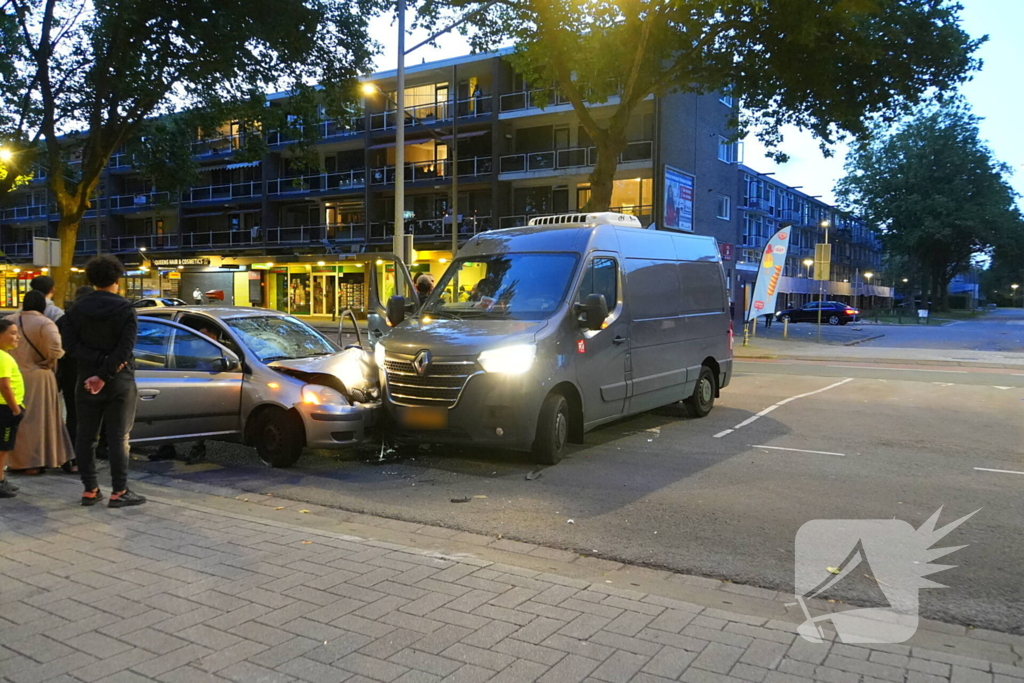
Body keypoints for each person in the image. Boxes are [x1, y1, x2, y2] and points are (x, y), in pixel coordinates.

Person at [62, 254, 145, 508]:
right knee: (119, 437)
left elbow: (69, 345)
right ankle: (119, 491)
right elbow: (125, 349)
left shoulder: (75, 309)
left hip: (85, 378)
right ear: (117, 279)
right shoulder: (125, 309)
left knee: (86, 436)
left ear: (91, 279)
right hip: (119, 379)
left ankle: (90, 489)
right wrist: (105, 373)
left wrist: (95, 369)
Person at [4, 291, 74, 475]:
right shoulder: (45, 323)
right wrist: (49, 361)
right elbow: (56, 349)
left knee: (18, 420)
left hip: (12, 374)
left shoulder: (10, 320)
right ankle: (35, 461)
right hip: (38, 376)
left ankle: (16, 461)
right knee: (38, 421)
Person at [56, 286, 95, 457]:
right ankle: (89, 452)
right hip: (92, 371)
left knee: (73, 414)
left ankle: (71, 454)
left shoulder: (64, 320)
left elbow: (58, 349)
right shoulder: (96, 319)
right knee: (92, 415)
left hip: (69, 372)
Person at [0, 320, 25, 498]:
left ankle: (1, 479)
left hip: (5, 408)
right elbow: (4, 386)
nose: (18, 337)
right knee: (3, 447)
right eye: (13, 333)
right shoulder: (3, 358)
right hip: (5, 409)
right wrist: (15, 409)